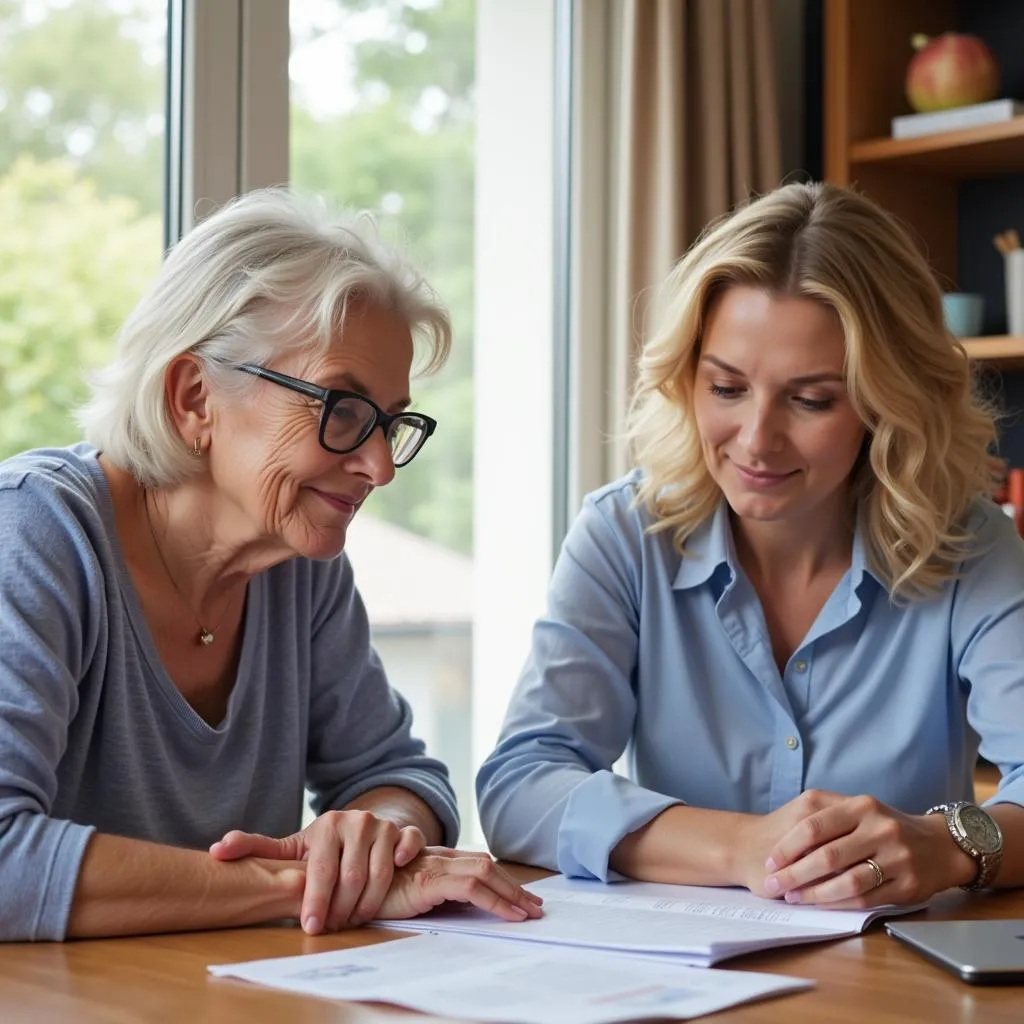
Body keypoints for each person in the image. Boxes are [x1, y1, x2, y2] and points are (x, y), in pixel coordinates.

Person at [0, 189, 541, 942]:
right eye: (342, 409)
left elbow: (402, 776)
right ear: (194, 398)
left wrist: (374, 832)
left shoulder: (296, 562)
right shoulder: (33, 533)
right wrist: (305, 884)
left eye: (390, 422)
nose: (380, 467)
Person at [477, 181, 1024, 908]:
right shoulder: (624, 535)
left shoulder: (972, 548)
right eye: (727, 388)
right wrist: (738, 847)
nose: (757, 440)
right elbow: (520, 785)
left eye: (811, 399)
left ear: (886, 401)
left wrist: (950, 846)